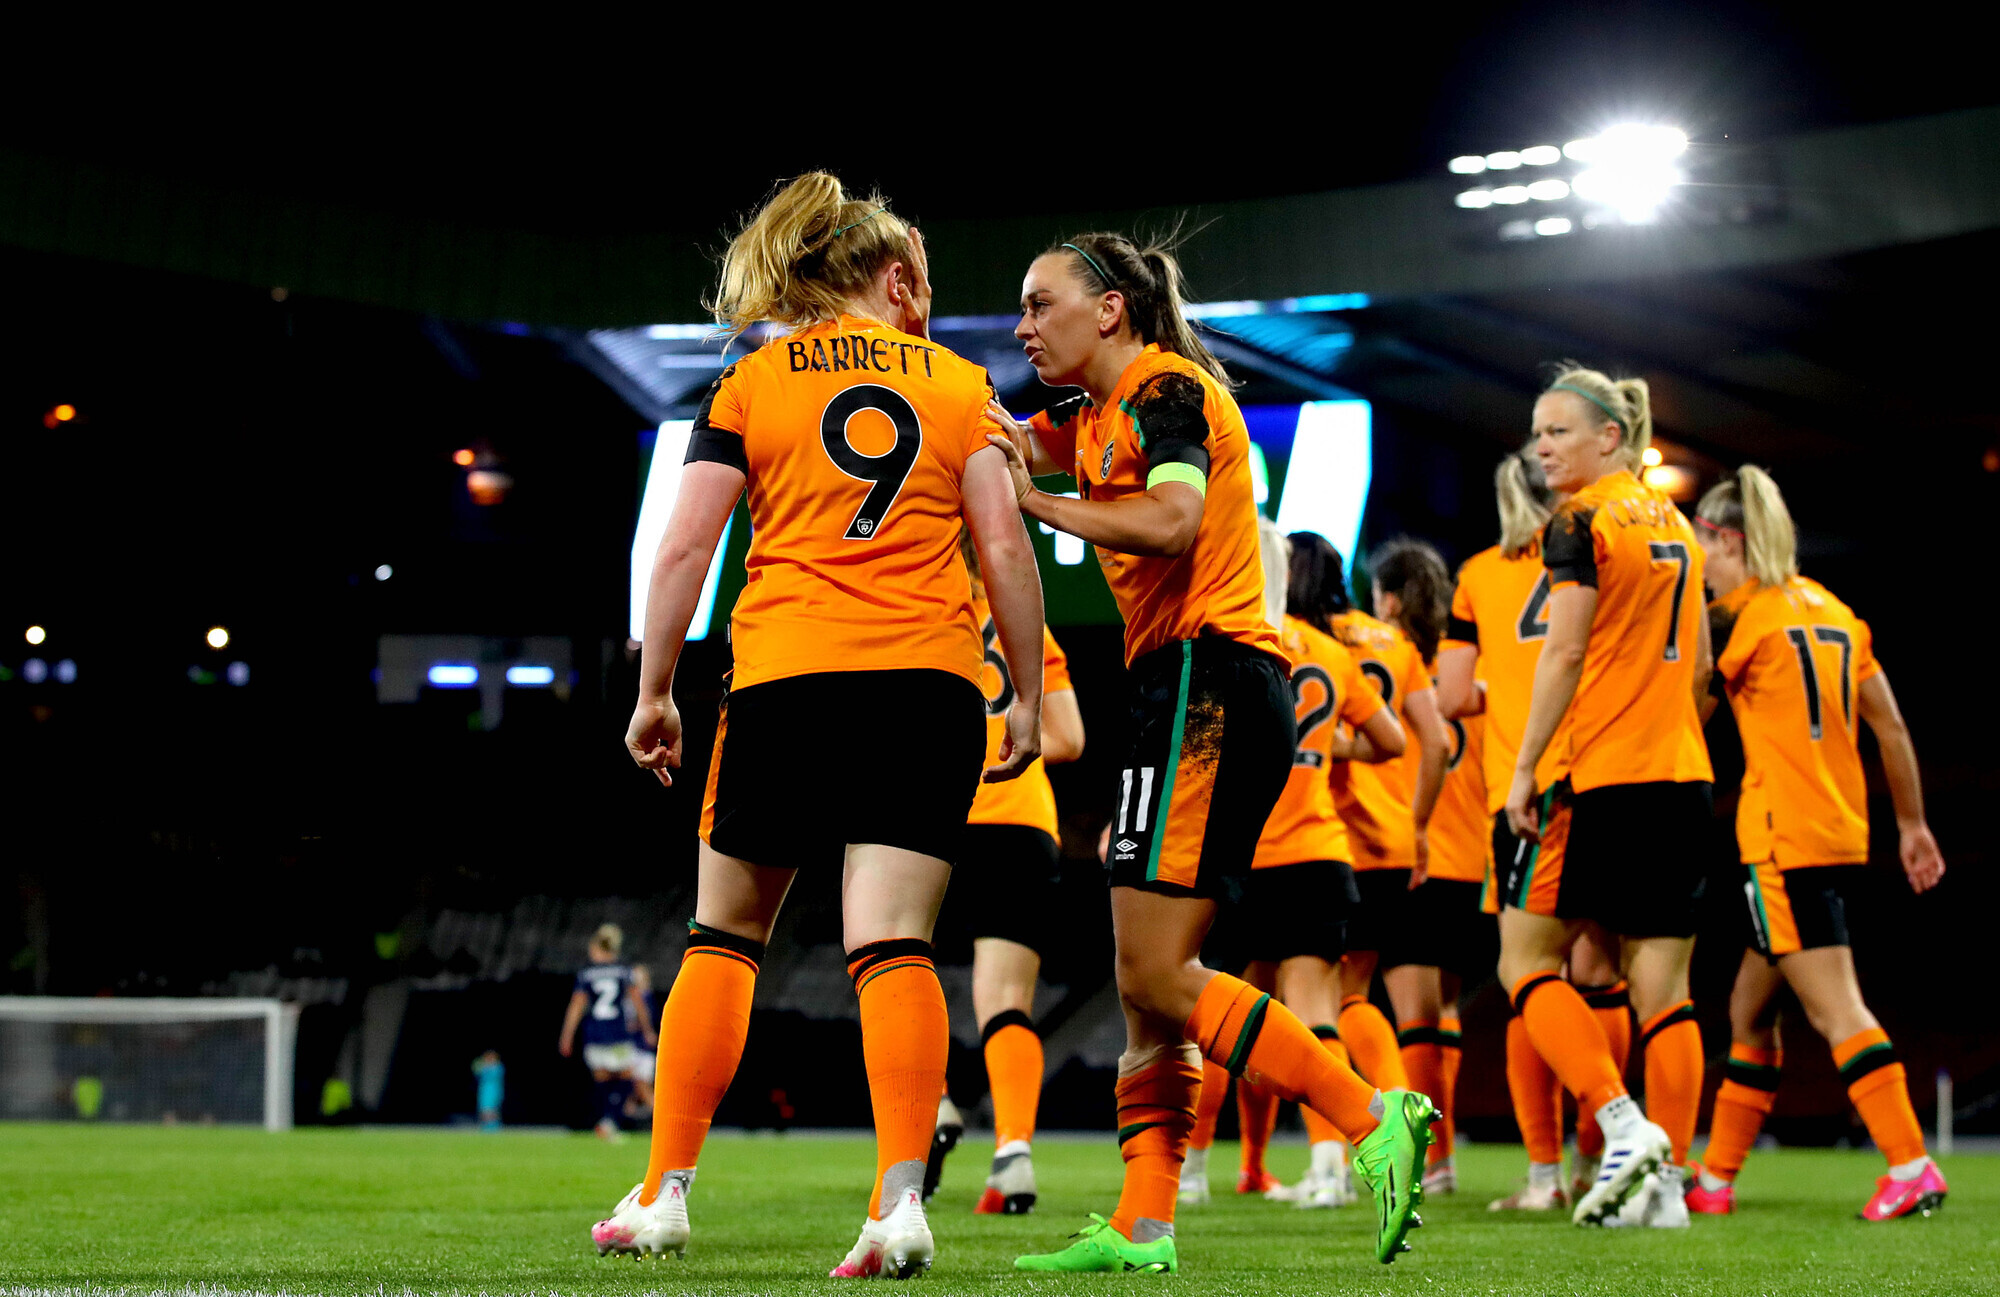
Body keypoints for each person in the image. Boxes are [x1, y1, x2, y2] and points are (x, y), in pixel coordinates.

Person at [591, 173, 1047, 1280]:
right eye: (920, 282)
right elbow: (1004, 548)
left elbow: (686, 547)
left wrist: (655, 691)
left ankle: (661, 1194)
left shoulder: (750, 381)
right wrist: (1029, 695)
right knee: (892, 945)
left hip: (786, 679)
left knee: (723, 938)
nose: (927, 301)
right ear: (890, 278)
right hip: (928, 687)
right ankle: (899, 1204)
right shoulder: (961, 385)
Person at [988, 229, 1436, 1273]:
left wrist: (1037, 504)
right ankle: (1144, 1225)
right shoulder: (1095, 414)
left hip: (1204, 683)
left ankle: (1372, 1117)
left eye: (1039, 303)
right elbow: (997, 438)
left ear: (1108, 309)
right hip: (1186, 689)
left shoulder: (1164, 391)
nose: (1021, 325)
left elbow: (1173, 519)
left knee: (1156, 969)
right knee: (1142, 983)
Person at [1685, 467, 1948, 1221]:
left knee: (1838, 1009)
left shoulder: (1736, 617)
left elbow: (1689, 714)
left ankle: (1910, 1163)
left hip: (1781, 841)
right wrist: (1912, 824)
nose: (1699, 562)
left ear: (1726, 540)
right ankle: (1716, 1179)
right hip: (1837, 831)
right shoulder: (1835, 612)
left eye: (1702, 544)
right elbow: (1890, 726)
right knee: (1749, 1011)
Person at [1498, 364, 1710, 1227]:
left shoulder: (1579, 520)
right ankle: (1669, 1186)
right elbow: (1700, 668)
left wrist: (1524, 767)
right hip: (1684, 774)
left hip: (1603, 776)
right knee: (1663, 991)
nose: (1541, 448)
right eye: (1538, 433)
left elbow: (1566, 651)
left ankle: (1622, 1125)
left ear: (1610, 437)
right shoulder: (1678, 524)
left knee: (1524, 961)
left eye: (1558, 431)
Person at [1182, 520, 1407, 1210]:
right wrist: (1324, 750)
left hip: (1244, 854)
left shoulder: (1233, 644)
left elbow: (1198, 751)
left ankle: (1190, 1171)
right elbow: (1392, 740)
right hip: (1318, 854)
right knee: (1314, 1015)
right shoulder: (1332, 652)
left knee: (1218, 1015)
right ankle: (1328, 1166)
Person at [1437, 455, 1633, 1211]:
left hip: (1530, 786)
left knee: (1527, 971)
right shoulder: (1601, 549)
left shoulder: (1480, 575)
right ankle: (1595, 1163)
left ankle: (1553, 1170)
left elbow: (1454, 695)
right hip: (1611, 772)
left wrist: (1506, 685)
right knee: (1602, 970)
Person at [927, 533, 1088, 1216]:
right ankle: (1013, 1153)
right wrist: (1005, 746)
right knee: (1006, 1001)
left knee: (893, 968)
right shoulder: (1022, 619)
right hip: (1022, 824)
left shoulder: (920, 610)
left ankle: (934, 1104)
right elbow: (1070, 738)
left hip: (935, 821)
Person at [1295, 537, 1447, 1128]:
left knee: (1317, 1002)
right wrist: (1420, 824)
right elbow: (1434, 743)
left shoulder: (1309, 639)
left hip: (1325, 836)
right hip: (1391, 838)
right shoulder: (1395, 644)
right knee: (1351, 993)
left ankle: (1334, 1148)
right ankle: (1402, 1110)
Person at [1353, 537, 1472, 1197]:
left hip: (1405, 846)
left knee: (1405, 1013)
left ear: (1391, 600)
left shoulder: (1384, 659)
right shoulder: (1462, 664)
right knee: (1442, 1009)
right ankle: (1444, 1156)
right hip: (1468, 853)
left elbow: (1425, 746)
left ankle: (1432, 1155)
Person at [559, 924, 654, 1141]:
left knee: (602, 1078)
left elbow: (576, 1006)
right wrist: (647, 1029)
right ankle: (610, 1121)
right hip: (618, 1033)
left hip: (595, 1034)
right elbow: (638, 1003)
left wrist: (567, 1035)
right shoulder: (623, 971)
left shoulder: (587, 973)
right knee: (627, 1076)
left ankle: (606, 1121)